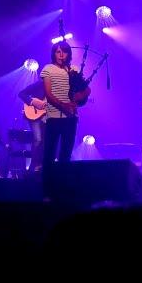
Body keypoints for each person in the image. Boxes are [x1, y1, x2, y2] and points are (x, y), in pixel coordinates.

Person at [40, 41, 90, 200]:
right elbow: (48, 94)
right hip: (54, 117)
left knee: (66, 154)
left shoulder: (73, 70)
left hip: (71, 118)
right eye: (58, 52)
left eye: (64, 52)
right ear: (53, 53)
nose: (61, 55)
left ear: (68, 54)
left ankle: (61, 189)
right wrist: (63, 105)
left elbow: (87, 88)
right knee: (49, 153)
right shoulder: (48, 69)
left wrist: (80, 96)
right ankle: (47, 189)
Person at [18, 79, 48, 173]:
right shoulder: (40, 84)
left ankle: (43, 166)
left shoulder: (59, 86)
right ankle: (34, 165)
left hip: (50, 116)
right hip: (35, 115)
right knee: (38, 139)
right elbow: (21, 93)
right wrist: (32, 101)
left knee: (46, 141)